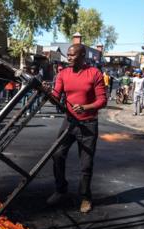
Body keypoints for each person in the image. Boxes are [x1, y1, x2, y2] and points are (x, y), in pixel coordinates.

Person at [45, 44, 107, 213]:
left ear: (83, 55)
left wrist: (86, 107)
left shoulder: (94, 73)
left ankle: (86, 197)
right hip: (69, 122)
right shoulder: (63, 74)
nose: (69, 58)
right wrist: (48, 93)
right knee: (57, 155)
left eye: (73, 55)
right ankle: (60, 189)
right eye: (68, 55)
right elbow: (56, 98)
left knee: (86, 164)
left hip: (89, 124)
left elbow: (103, 100)